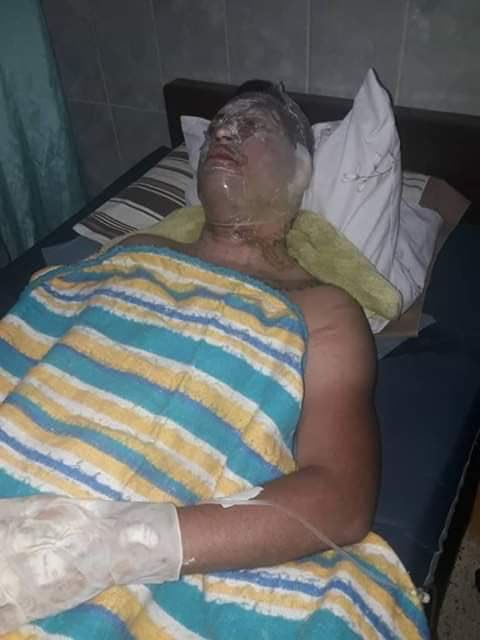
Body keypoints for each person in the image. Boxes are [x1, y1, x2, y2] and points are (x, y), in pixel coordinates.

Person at [0, 81, 380, 632]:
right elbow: (34, 333)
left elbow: (342, 497)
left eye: (253, 125)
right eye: (219, 125)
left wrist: (116, 544)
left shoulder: (320, 308)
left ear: (300, 172)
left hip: (127, 528)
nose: (223, 133)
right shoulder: (132, 252)